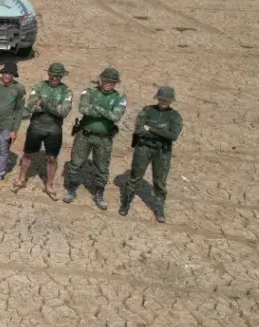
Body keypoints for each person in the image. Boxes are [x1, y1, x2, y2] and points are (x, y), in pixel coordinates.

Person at [64, 67, 127, 210]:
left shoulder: (119, 98)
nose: (108, 83)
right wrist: (106, 113)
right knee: (76, 163)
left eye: (112, 81)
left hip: (104, 139)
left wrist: (97, 109)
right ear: (101, 79)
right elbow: (83, 109)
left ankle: (99, 194)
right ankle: (71, 190)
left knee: (102, 167)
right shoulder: (89, 92)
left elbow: (116, 116)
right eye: (105, 80)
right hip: (84, 135)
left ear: (116, 83)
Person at [121, 86, 183, 222]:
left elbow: (173, 135)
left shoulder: (175, 116)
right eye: (161, 99)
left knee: (160, 182)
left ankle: (159, 209)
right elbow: (139, 130)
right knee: (135, 177)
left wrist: (151, 129)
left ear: (171, 101)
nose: (163, 102)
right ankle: (125, 203)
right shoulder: (147, 110)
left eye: (166, 100)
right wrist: (160, 132)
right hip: (144, 148)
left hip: (162, 151)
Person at [16, 62, 73, 198]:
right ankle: (22, 179)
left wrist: (44, 104)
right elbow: (31, 106)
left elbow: (63, 112)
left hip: (53, 130)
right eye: (53, 75)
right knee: (27, 153)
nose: (55, 78)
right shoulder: (39, 86)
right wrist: (54, 107)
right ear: (48, 74)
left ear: (62, 77)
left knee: (52, 158)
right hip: (36, 126)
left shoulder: (67, 91)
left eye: (58, 76)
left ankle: (49, 185)